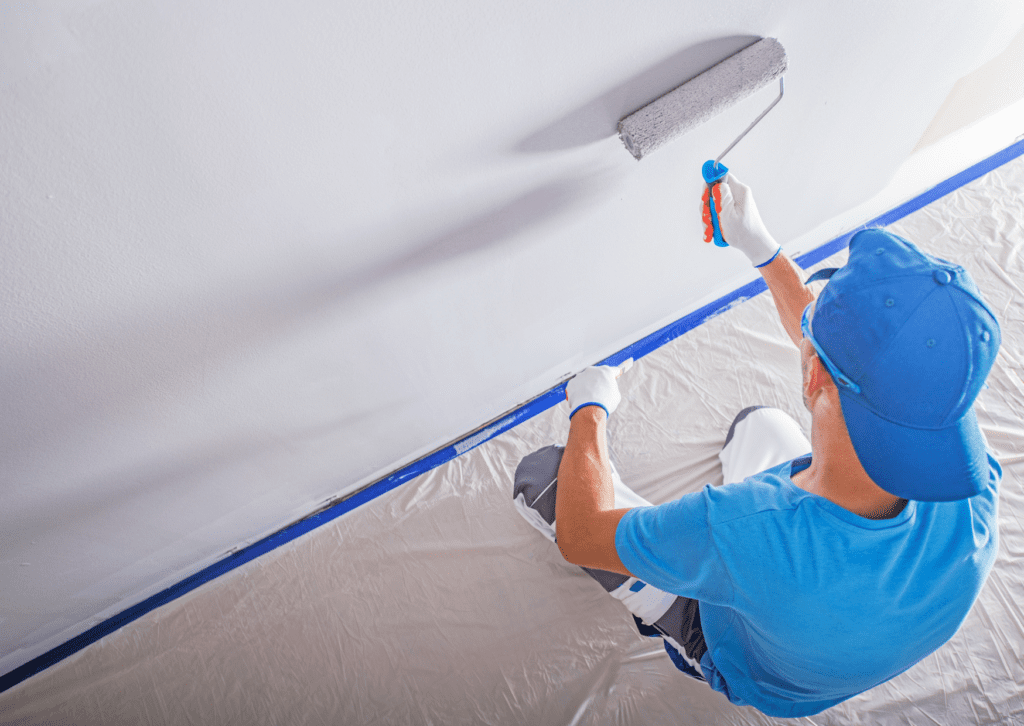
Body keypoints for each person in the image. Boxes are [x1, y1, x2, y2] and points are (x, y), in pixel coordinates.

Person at [512, 174, 1002, 717]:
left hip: (750, 665)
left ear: (812, 374)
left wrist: (590, 406)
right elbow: (842, 358)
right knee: (757, 427)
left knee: (544, 476)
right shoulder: (965, 473)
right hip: (831, 642)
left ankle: (680, 629)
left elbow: (581, 537)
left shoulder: (743, 527)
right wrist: (761, 247)